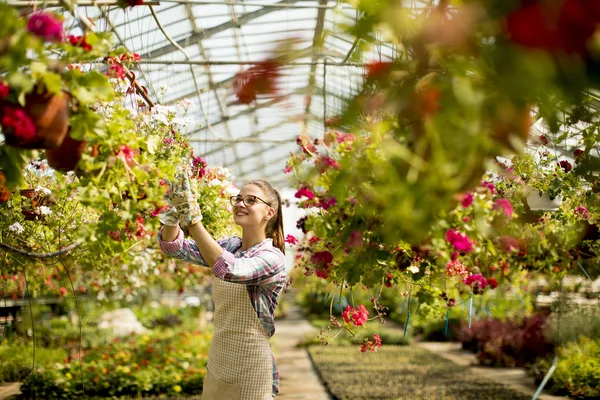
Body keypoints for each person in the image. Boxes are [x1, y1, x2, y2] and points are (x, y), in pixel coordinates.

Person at [157, 172, 287, 400]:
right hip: (218, 361)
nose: (240, 204)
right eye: (238, 199)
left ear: (270, 212)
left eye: (251, 200)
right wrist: (172, 215)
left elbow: (231, 269)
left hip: (251, 367)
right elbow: (174, 248)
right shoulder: (230, 245)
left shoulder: (273, 258)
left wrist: (193, 219)